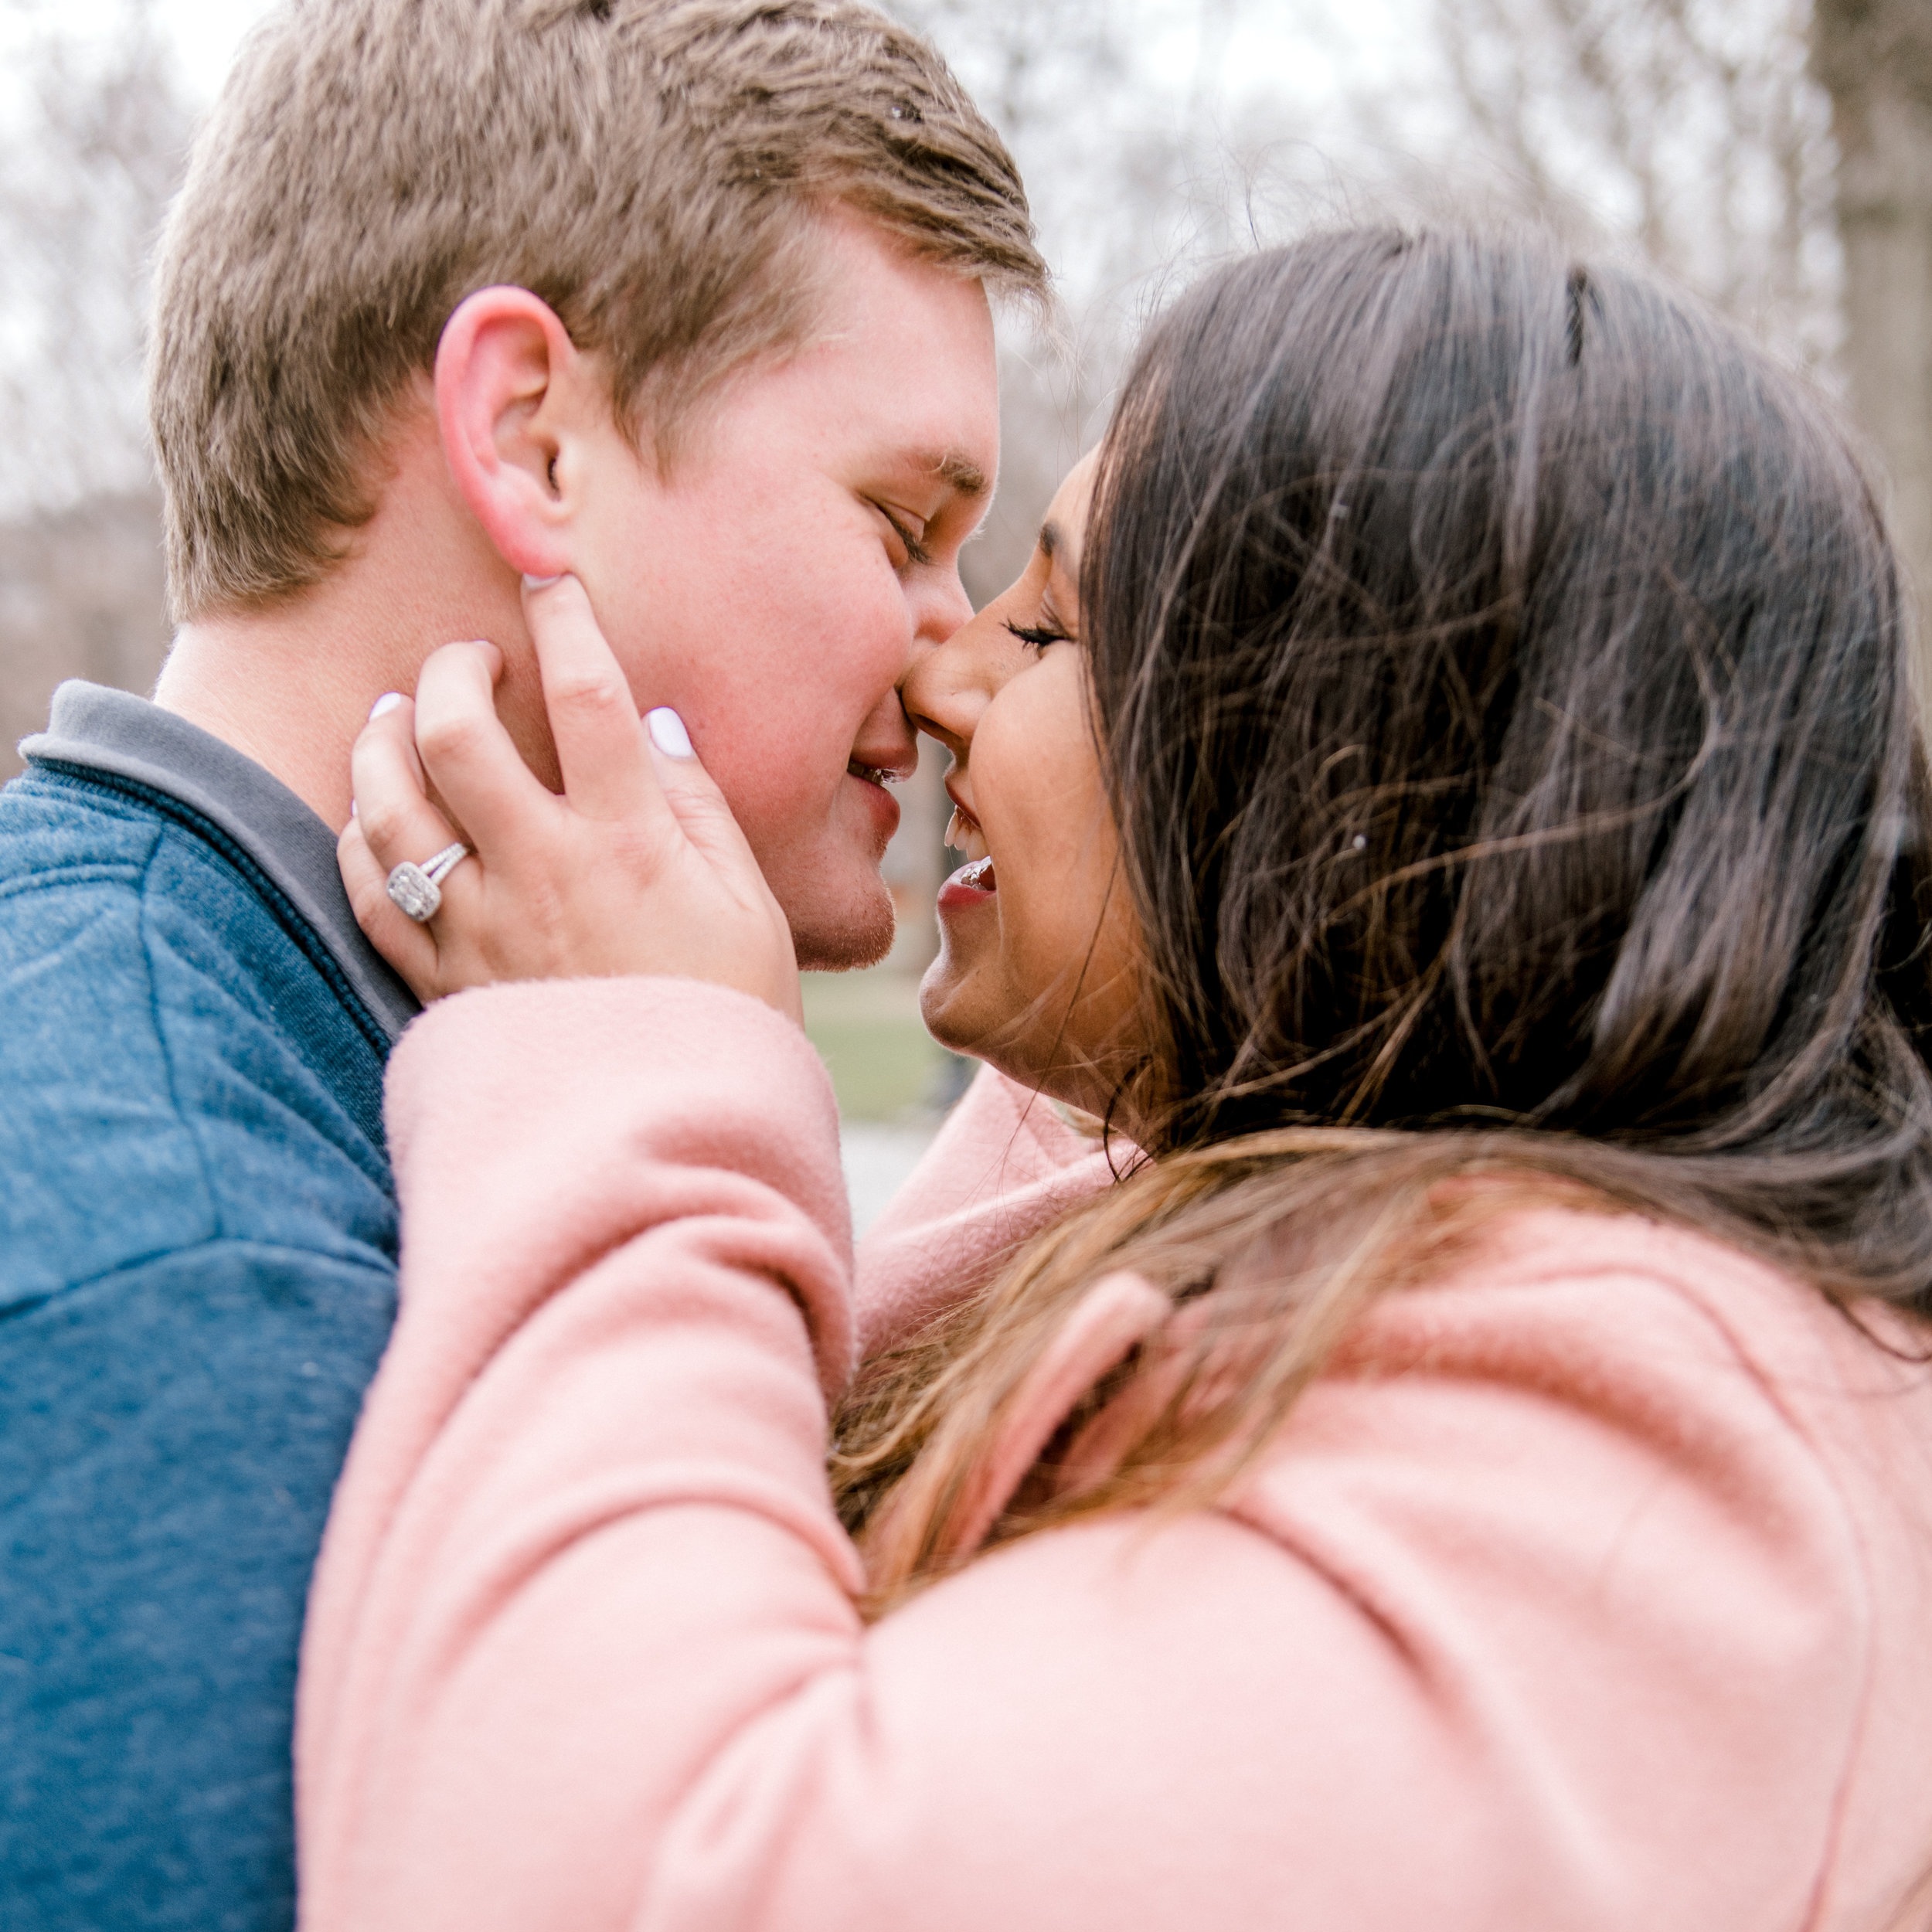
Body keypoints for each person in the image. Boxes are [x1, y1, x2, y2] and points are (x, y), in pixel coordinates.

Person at [304, 227, 1932, 1929]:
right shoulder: (1180, 1169)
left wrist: (629, 1065)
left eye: (1050, 628)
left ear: (1350, 770)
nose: (935, 680)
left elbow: (594, 1879)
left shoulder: (1638, 1498)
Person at [0, 0, 1043, 1922]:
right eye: (903, 523)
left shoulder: (278, 1072)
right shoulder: (196, 1294)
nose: (949, 646)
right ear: (529, 437)